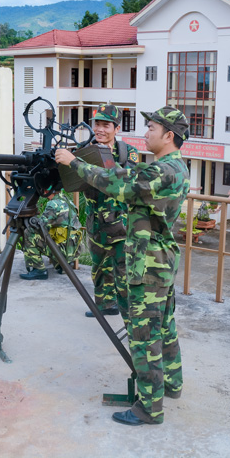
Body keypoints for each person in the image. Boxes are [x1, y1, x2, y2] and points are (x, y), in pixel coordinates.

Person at [55, 105, 190, 426]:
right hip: (158, 260)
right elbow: (127, 177)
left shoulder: (164, 171)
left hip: (148, 263)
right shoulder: (169, 168)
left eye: (152, 129)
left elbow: (123, 187)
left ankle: (149, 408)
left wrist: (73, 163)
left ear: (169, 135)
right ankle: (172, 383)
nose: (146, 133)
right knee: (165, 327)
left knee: (144, 337)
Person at [83, 103, 138, 319]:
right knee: (98, 268)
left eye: (106, 125)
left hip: (121, 225)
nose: (100, 129)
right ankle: (104, 305)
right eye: (97, 124)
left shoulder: (127, 152)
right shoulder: (86, 149)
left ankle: (131, 316)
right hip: (96, 222)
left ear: (116, 128)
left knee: (123, 273)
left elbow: (125, 180)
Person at [19, 191, 82, 280]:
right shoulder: (67, 201)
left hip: (63, 252)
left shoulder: (53, 204)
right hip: (72, 251)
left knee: (29, 234)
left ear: (46, 191)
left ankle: (39, 270)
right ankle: (61, 264)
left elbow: (40, 227)